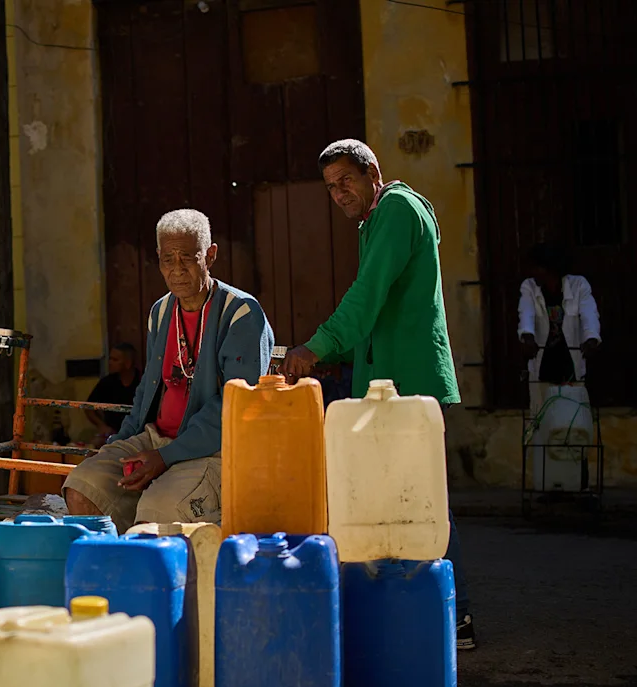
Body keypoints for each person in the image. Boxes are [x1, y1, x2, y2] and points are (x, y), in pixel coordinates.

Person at [278, 139, 475, 650]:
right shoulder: (377, 220)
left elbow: (364, 301)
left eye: (346, 181)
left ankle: (452, 617)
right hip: (388, 383)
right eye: (330, 187)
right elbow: (377, 313)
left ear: (372, 172)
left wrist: (315, 347)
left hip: (407, 388)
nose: (339, 194)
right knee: (395, 502)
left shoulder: (395, 210)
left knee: (420, 504)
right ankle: (415, 615)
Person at [63, 209, 274, 530]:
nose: (177, 270)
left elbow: (236, 404)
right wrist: (117, 444)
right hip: (156, 440)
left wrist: (168, 457)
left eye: (187, 258)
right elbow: (148, 392)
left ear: (211, 255)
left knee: (158, 512)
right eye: (167, 259)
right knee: (83, 486)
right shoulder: (160, 312)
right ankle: (109, 573)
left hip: (213, 450)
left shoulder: (241, 313)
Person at [518, 243, 600, 391]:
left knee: (573, 409)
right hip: (543, 364)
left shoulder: (579, 285)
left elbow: (590, 315)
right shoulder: (529, 286)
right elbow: (526, 313)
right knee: (542, 410)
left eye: (536, 268)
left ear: (549, 269)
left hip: (570, 362)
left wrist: (592, 338)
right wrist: (527, 336)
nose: (532, 272)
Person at [85, 342, 141, 447]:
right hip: (110, 435)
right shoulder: (107, 382)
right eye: (110, 359)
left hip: (137, 435)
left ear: (128, 363)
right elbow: (88, 407)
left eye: (115, 360)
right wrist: (102, 425)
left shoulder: (142, 382)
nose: (110, 362)